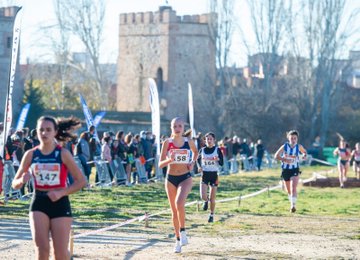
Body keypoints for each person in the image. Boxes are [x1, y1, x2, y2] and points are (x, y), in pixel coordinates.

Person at [11, 116, 87, 260]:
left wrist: (62, 192)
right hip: (39, 201)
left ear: (55, 132)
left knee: (60, 253)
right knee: (42, 250)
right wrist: (21, 179)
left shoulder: (63, 154)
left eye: (48, 130)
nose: (44, 133)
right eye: (41, 130)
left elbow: (81, 181)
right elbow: (14, 183)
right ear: (37, 132)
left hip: (60, 203)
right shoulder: (31, 154)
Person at [158, 117, 198, 253]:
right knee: (174, 211)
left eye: (180, 126)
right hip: (170, 179)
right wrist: (170, 159)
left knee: (179, 203)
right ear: (171, 128)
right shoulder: (167, 143)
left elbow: (196, 153)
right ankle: (178, 240)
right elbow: (160, 164)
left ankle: (183, 231)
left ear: (183, 127)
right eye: (175, 126)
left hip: (185, 177)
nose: (177, 128)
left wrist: (192, 162)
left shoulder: (189, 142)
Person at [274, 130, 307, 213]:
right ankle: (291, 203)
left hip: (295, 169)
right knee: (288, 190)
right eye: (291, 138)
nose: (293, 140)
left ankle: (293, 206)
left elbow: (304, 152)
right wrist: (283, 159)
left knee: (293, 188)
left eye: (295, 138)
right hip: (285, 170)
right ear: (288, 138)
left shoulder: (299, 146)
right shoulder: (284, 146)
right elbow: (276, 156)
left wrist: (304, 156)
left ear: (297, 139)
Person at [197, 132, 223, 223]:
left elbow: (222, 163)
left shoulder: (217, 150)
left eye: (210, 139)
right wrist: (199, 167)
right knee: (203, 195)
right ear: (205, 140)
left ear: (214, 140)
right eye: (207, 139)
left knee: (212, 198)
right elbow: (198, 160)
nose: (209, 141)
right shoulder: (202, 150)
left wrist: (218, 160)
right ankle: (205, 201)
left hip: (214, 175)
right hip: (204, 175)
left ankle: (211, 215)